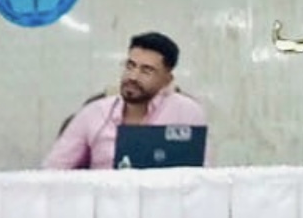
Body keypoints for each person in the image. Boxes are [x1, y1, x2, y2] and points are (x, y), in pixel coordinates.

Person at [42, 31, 207, 170]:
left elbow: (203, 176)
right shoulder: (93, 113)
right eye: (130, 66)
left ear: (167, 79)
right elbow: (52, 171)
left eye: (146, 70)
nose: (133, 76)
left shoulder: (187, 112)